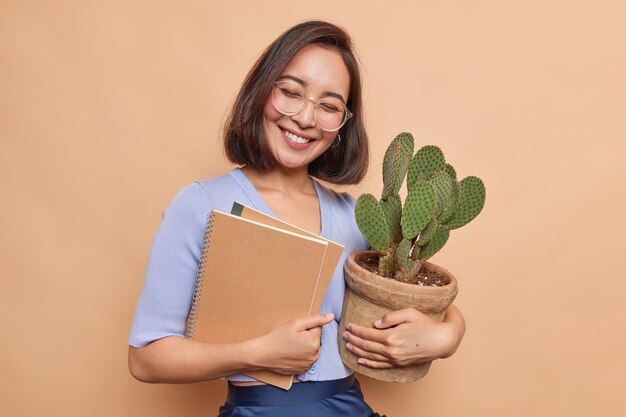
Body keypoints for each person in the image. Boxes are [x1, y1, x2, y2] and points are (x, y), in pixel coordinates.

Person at [128, 20, 466, 417]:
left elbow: (421, 291)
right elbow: (145, 358)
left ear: (342, 124)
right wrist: (257, 353)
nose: (306, 118)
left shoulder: (355, 217)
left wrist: (448, 336)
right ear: (261, 92)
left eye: (329, 106)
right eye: (291, 92)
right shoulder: (201, 205)